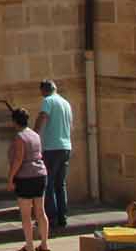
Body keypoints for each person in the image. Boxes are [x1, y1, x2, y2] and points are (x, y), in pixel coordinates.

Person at [7, 107, 49, 251]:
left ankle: (29, 246)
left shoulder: (20, 137)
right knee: (40, 211)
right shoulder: (35, 135)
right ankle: (44, 245)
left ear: (14, 121)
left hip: (25, 177)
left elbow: (19, 159)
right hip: (40, 174)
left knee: (26, 214)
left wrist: (10, 178)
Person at [39, 79, 75, 236]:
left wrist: (33, 133)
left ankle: (51, 218)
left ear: (44, 90)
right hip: (66, 146)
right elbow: (71, 125)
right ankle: (63, 216)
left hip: (52, 148)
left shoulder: (48, 101)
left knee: (49, 184)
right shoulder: (66, 103)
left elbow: (43, 118)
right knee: (61, 184)